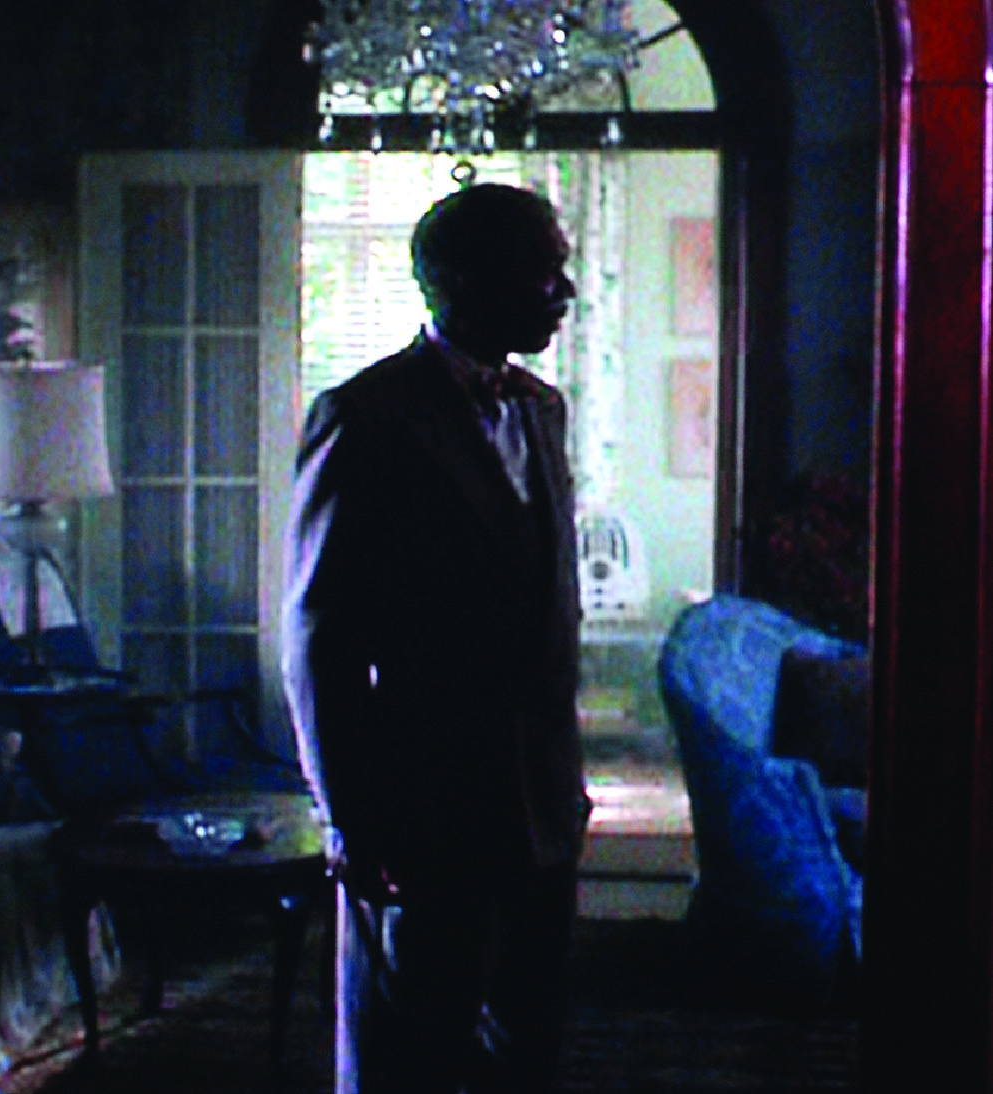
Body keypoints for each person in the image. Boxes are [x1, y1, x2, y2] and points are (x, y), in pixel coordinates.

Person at [281, 182, 591, 1093]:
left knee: (525, 1057)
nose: (564, 291)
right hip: (422, 811)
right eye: (541, 270)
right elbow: (318, 636)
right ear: (458, 279)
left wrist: (564, 797)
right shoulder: (366, 416)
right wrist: (346, 815)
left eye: (563, 267)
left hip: (541, 812)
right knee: (404, 1060)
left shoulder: (541, 409)